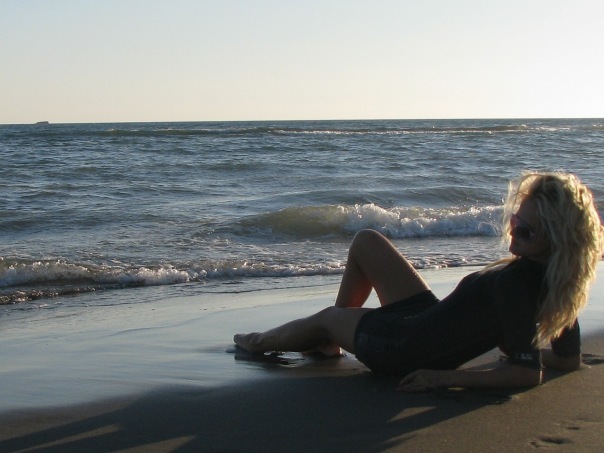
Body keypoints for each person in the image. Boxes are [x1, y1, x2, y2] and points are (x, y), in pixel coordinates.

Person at [234, 172, 603, 391]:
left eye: (526, 231)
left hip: (403, 348)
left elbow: (526, 374)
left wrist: (443, 378)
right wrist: (516, 345)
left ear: (557, 238)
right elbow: (567, 361)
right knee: (366, 241)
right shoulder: (560, 283)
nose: (514, 232)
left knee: (328, 318)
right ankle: (332, 340)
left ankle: (259, 341)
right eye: (515, 221)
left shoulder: (515, 283)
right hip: (425, 319)